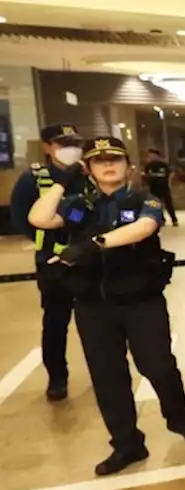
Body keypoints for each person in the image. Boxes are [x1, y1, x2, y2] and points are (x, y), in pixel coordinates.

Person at [27, 136, 185, 476]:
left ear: (129, 166)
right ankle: (127, 444)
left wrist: (93, 245)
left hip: (141, 301)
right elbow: (40, 218)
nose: (108, 165)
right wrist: (61, 184)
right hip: (93, 305)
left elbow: (143, 228)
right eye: (99, 161)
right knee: (107, 376)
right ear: (89, 168)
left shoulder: (143, 199)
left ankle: (180, 418)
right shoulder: (83, 205)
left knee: (158, 367)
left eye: (115, 159)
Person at [8, 123, 85, 401]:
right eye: (62, 143)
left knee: (97, 320)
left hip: (88, 258)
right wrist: (51, 238)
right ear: (47, 146)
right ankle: (57, 378)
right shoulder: (34, 178)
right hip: (52, 262)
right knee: (55, 321)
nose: (70, 149)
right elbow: (21, 218)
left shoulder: (87, 174)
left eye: (75, 143)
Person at [144, 149, 179, 227]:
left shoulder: (163, 164)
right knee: (156, 205)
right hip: (153, 188)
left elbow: (171, 172)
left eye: (152, 155)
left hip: (164, 187)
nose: (150, 157)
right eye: (149, 155)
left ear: (157, 155)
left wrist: (169, 181)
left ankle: (174, 219)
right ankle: (161, 220)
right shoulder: (149, 165)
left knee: (168, 204)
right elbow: (146, 175)